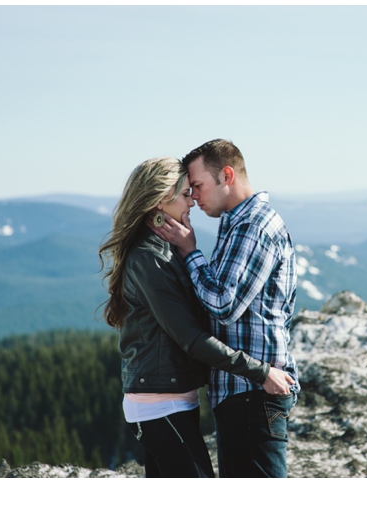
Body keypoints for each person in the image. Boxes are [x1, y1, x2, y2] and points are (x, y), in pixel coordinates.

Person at [98, 156, 294, 478]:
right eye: (186, 193)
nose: (193, 201)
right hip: (160, 404)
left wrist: (189, 250)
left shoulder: (166, 250)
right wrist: (261, 372)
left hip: (173, 399)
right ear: (161, 200)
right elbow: (191, 338)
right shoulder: (150, 258)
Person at [150, 139, 299, 478]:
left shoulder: (252, 226)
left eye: (198, 186)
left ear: (226, 175)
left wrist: (190, 251)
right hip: (245, 392)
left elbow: (223, 304)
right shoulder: (236, 224)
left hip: (254, 394)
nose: (194, 197)